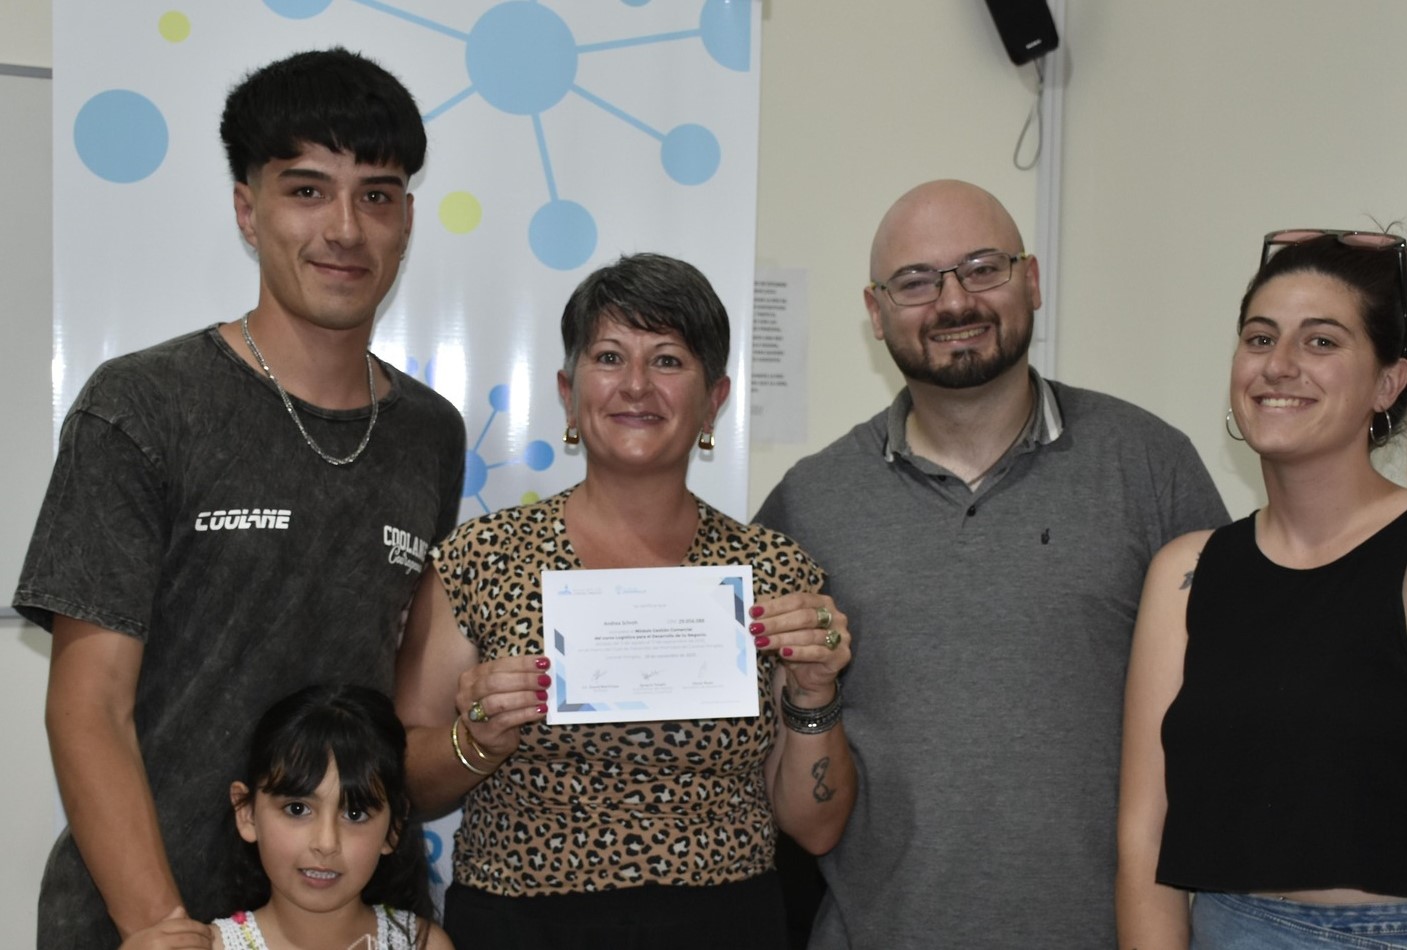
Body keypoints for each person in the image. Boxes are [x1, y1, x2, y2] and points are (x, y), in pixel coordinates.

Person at [15, 48, 467, 947]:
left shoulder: (430, 433)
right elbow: (88, 703)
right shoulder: (143, 405)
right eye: (306, 190)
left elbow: (407, 720)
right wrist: (158, 923)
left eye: (376, 195)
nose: (345, 229)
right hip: (146, 922)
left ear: (407, 220)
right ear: (246, 210)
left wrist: (482, 734)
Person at [753, 179, 1229, 949]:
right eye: (915, 281)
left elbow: (1229, 718)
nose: (953, 301)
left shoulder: (1149, 466)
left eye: (982, 268)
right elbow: (774, 763)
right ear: (875, 312)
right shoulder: (809, 503)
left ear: (1030, 280)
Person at [394, 252, 856, 949]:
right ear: (568, 391)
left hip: (724, 926)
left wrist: (815, 695)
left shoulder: (773, 572)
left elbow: (815, 828)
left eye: (668, 360)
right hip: (520, 926)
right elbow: (405, 781)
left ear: (714, 399)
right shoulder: (481, 559)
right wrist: (475, 739)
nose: (636, 385)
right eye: (609, 357)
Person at [1116, 230, 1407, 948]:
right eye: (1260, 338)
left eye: (1321, 342)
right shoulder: (1184, 573)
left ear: (1387, 383)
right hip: (1227, 929)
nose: (1279, 364)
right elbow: (1143, 840)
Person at [118, 685, 454, 950]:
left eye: (354, 814)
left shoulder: (423, 944)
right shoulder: (208, 947)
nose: (326, 842)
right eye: (297, 809)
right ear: (247, 813)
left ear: (393, 828)